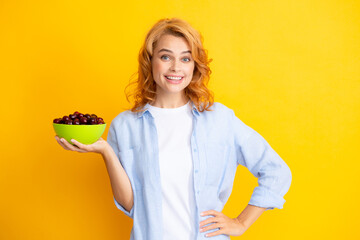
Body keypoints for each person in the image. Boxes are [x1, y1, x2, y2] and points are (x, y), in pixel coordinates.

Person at [55, 18, 292, 240]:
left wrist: (241, 223)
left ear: (194, 66)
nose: (176, 67)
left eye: (186, 58)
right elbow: (131, 205)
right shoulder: (125, 125)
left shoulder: (220, 119)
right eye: (166, 57)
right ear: (150, 61)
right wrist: (105, 151)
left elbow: (276, 172)